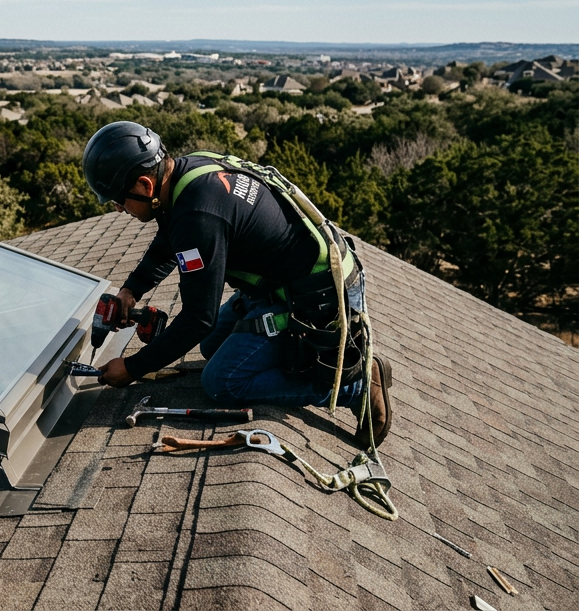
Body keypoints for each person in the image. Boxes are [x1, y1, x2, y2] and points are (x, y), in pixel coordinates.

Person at [81, 121, 392, 447]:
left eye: (119, 200)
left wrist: (132, 368)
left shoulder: (199, 214)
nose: (118, 209)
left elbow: (198, 319)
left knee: (222, 382)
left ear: (145, 185)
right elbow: (170, 237)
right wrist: (132, 289)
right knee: (211, 346)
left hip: (317, 298)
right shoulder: (188, 171)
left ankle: (355, 384)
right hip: (287, 282)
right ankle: (284, 354)